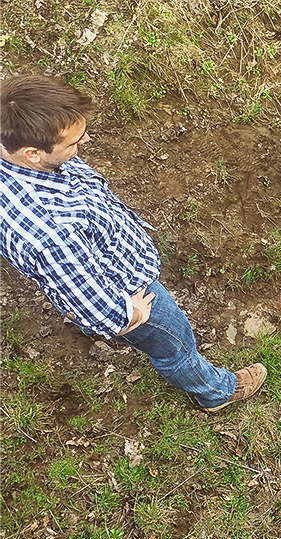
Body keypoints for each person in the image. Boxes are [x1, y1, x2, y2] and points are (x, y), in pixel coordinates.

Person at [0, 74, 266, 412]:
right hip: (127, 287)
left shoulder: (15, 142)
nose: (86, 142)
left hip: (98, 258)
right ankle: (215, 391)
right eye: (74, 143)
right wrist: (128, 315)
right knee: (174, 343)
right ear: (33, 153)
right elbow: (95, 309)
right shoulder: (51, 235)